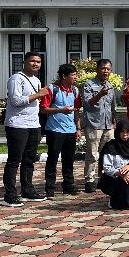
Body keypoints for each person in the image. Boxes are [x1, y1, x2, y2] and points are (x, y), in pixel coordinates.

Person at [2, 52, 50, 206]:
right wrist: (38, 94)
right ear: (24, 62)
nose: (35, 64)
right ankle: (10, 194)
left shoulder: (36, 80)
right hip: (17, 124)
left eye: (38, 62)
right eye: (32, 61)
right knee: (14, 160)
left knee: (29, 160)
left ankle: (27, 190)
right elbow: (16, 101)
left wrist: (40, 95)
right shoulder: (16, 78)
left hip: (34, 124)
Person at [40, 63, 83, 198]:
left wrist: (78, 128)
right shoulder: (52, 89)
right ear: (64, 76)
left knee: (69, 159)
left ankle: (68, 184)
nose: (75, 77)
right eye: (73, 75)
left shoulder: (75, 91)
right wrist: (60, 110)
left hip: (70, 130)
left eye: (76, 74)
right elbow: (43, 109)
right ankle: (50, 187)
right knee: (52, 159)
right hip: (55, 130)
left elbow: (76, 110)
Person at [81, 58, 116, 194]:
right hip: (93, 124)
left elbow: (112, 107)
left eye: (108, 69)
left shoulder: (111, 86)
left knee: (107, 154)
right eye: (103, 68)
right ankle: (90, 180)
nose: (105, 71)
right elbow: (87, 103)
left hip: (108, 125)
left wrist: (113, 121)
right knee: (92, 154)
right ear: (97, 69)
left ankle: (104, 178)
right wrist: (100, 94)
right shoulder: (89, 85)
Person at [98, 120, 129, 210]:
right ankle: (114, 202)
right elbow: (107, 168)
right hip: (112, 179)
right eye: (122, 132)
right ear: (117, 132)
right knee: (127, 187)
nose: (125, 135)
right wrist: (120, 173)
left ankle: (122, 199)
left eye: (127, 132)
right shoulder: (111, 146)